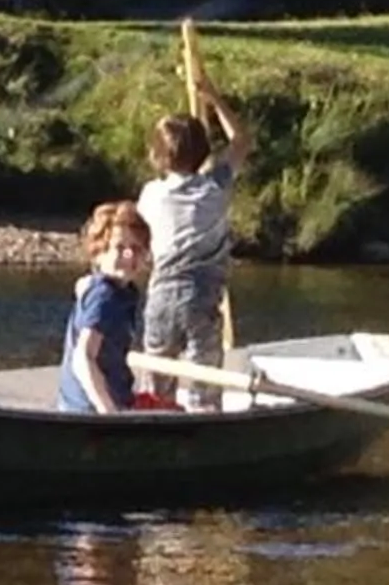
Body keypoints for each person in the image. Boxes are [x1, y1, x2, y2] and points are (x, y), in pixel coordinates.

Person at [139, 41, 248, 410]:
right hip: (200, 300)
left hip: (158, 298)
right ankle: (204, 423)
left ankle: (156, 426)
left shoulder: (150, 195)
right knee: (205, 386)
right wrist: (213, 97)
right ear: (204, 154)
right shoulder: (214, 187)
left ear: (157, 157)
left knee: (158, 387)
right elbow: (241, 141)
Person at [57, 199, 151, 413]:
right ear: (98, 253)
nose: (129, 256)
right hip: (89, 409)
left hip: (104, 399)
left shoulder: (122, 291)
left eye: (136, 248)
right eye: (119, 248)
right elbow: (83, 358)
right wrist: (107, 411)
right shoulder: (105, 296)